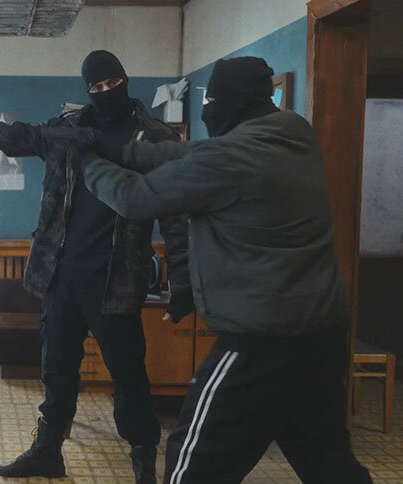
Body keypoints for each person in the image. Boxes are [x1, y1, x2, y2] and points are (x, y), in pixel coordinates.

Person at [75, 56, 372, 484]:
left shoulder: (229, 157)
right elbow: (190, 152)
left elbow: (134, 199)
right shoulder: (293, 133)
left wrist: (85, 161)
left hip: (259, 342)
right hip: (322, 333)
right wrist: (119, 149)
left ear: (230, 103)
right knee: (329, 464)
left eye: (211, 101)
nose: (207, 110)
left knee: (194, 464)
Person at [0, 50, 191, 482]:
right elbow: (2, 135)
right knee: (56, 368)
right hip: (61, 273)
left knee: (128, 372)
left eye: (112, 84)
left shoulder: (155, 137)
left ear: (125, 80)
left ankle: (144, 456)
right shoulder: (66, 131)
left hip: (116, 279)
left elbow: (176, 215)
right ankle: (47, 451)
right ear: (87, 89)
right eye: (96, 87)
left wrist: (183, 281)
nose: (105, 92)